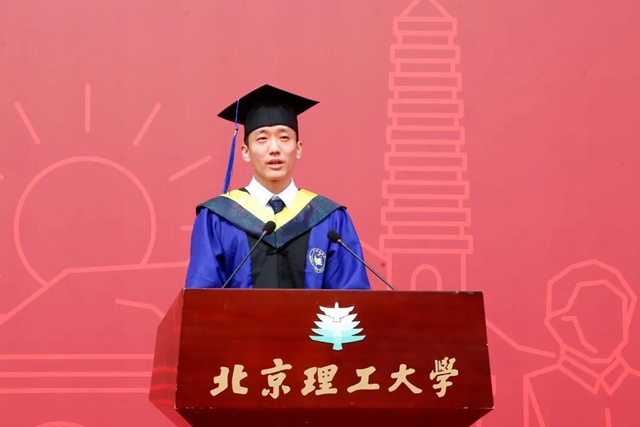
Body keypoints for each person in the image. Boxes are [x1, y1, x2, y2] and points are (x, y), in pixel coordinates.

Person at [185, 84, 371, 290]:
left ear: (298, 148)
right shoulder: (218, 218)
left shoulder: (329, 218)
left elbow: (351, 297)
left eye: (284, 138)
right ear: (245, 151)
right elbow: (201, 297)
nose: (274, 149)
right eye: (262, 139)